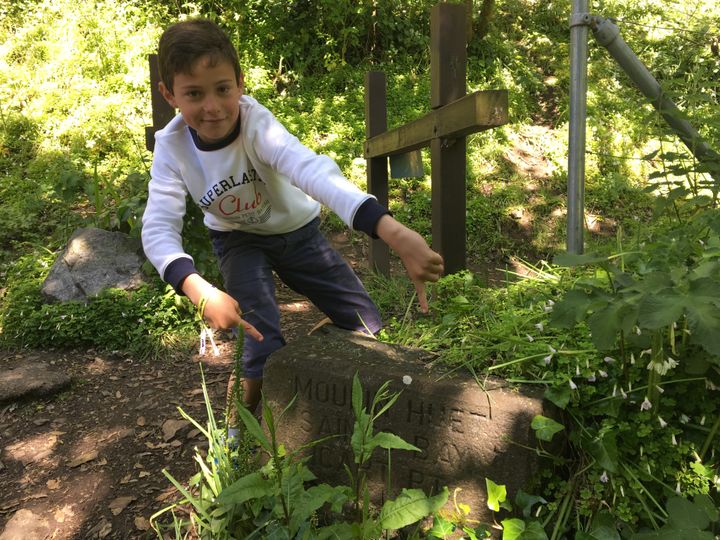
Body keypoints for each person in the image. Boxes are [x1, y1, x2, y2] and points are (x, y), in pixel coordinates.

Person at [141, 18, 444, 418]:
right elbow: (159, 226)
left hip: (298, 234)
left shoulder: (256, 125)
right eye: (194, 94)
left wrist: (393, 231)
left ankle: (309, 363)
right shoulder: (172, 147)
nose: (212, 107)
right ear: (170, 95)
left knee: (367, 324)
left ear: (240, 83)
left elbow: (310, 170)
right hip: (238, 241)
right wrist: (197, 288)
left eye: (222, 89)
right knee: (260, 342)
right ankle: (239, 427)